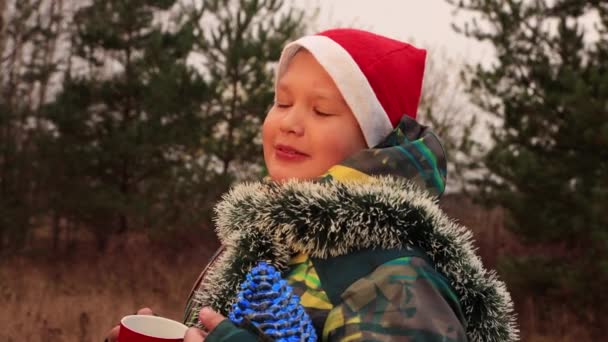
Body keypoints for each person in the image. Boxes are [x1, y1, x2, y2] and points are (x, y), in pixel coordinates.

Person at [106, 28, 518, 342]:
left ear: (374, 145)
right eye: (282, 102)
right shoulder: (276, 237)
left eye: (321, 110)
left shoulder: (389, 272)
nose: (290, 122)